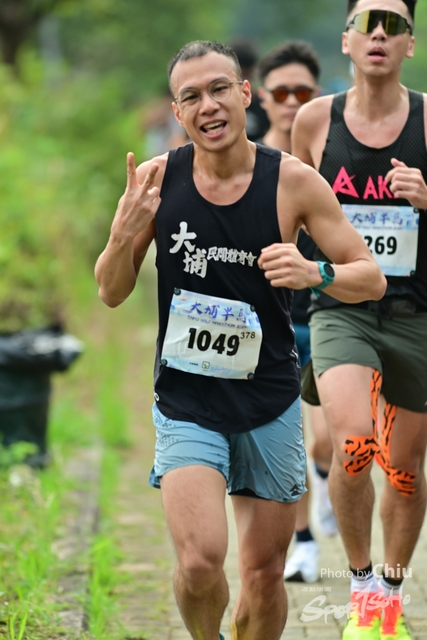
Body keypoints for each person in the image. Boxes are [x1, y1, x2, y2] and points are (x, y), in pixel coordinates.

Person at [95, 40, 385, 640]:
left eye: (219, 88)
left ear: (245, 93)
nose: (209, 105)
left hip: (268, 401)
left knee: (263, 575)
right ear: (177, 112)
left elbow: (370, 277)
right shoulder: (156, 181)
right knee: (201, 562)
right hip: (187, 401)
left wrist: (315, 271)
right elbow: (110, 292)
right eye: (192, 96)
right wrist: (123, 235)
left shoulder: (293, 182)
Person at [292, 1, 427, 638]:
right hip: (340, 305)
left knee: (405, 470)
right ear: (346, 39)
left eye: (393, 24)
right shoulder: (315, 121)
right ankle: (363, 588)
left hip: (415, 312)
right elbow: (290, 214)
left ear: (410, 44)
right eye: (367, 22)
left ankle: (392, 596)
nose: (379, 33)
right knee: (352, 444)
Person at [258, 39, 338, 585]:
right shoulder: (244, 160)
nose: (291, 102)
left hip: (328, 313)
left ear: (317, 94)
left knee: (328, 440)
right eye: (281, 92)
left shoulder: (329, 159)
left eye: (302, 92)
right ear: (261, 96)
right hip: (271, 324)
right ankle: (304, 543)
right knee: (289, 441)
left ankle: (330, 480)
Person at [229, 37, 270, 141]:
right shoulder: (219, 106)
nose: (243, 81)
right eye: (240, 75)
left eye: (247, 75)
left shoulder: (263, 106)